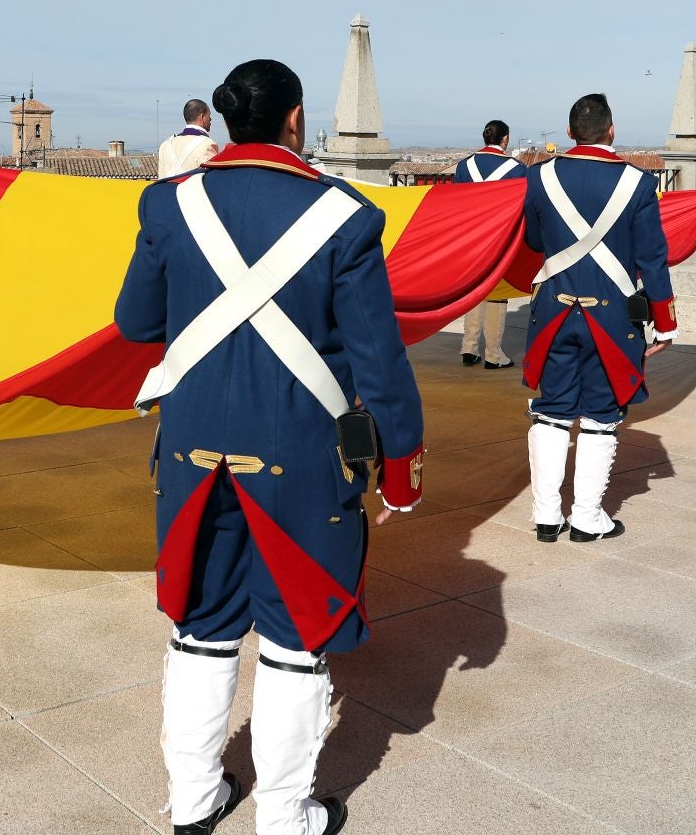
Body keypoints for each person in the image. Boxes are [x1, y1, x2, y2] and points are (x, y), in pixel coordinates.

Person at [117, 59, 423, 835]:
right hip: (302, 459)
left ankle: (193, 800)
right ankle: (284, 816)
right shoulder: (345, 217)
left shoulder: (168, 205)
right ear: (295, 119)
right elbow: (381, 364)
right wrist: (400, 471)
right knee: (295, 639)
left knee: (200, 627)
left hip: (191, 454)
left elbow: (134, 322)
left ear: (226, 121)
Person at [520, 94, 676, 543]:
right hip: (612, 317)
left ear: (569, 133)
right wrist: (665, 321)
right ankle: (587, 517)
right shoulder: (639, 185)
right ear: (612, 130)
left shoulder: (539, 177)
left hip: (552, 312)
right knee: (600, 414)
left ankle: (547, 516)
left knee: (551, 412)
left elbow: (533, 239)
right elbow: (653, 258)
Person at [453, 119, 527, 369]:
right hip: (498, 240)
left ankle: (469, 347)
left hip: (470, 241)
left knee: (474, 292)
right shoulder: (516, 169)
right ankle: (494, 354)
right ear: (504, 139)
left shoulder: (464, 166)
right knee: (497, 295)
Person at [156, 99, 220, 178]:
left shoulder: (165, 145)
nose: (210, 119)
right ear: (202, 117)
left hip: (165, 190)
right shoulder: (207, 144)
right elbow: (211, 180)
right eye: (209, 116)